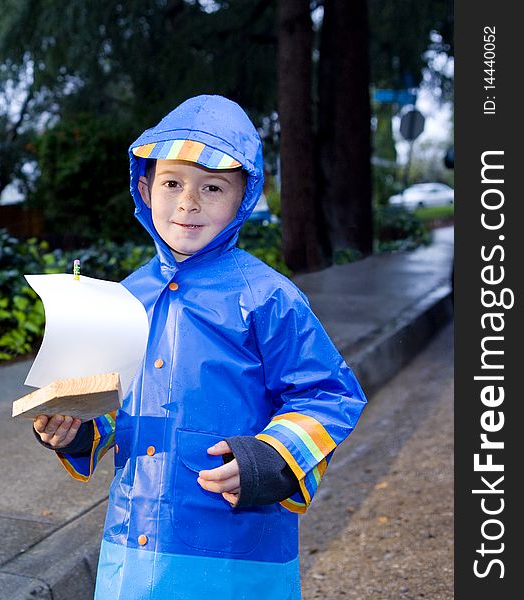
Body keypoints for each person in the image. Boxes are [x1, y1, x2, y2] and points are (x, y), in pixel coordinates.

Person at [32, 94, 367, 599]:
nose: (188, 202)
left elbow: (329, 394)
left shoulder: (269, 297)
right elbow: (108, 405)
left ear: (243, 198)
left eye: (212, 187)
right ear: (145, 189)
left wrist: (274, 457)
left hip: (236, 549)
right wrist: (73, 429)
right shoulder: (124, 298)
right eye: (172, 183)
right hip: (133, 544)